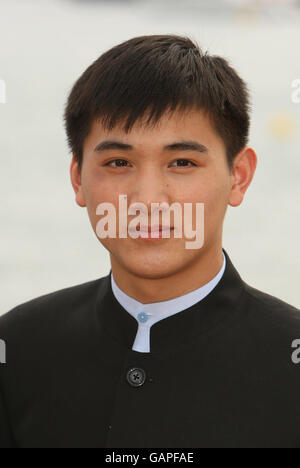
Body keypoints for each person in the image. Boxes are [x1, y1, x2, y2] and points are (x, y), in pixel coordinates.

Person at [0, 34, 299, 448]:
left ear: (239, 176)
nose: (147, 200)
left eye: (182, 162)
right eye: (118, 162)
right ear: (78, 178)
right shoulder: (17, 349)